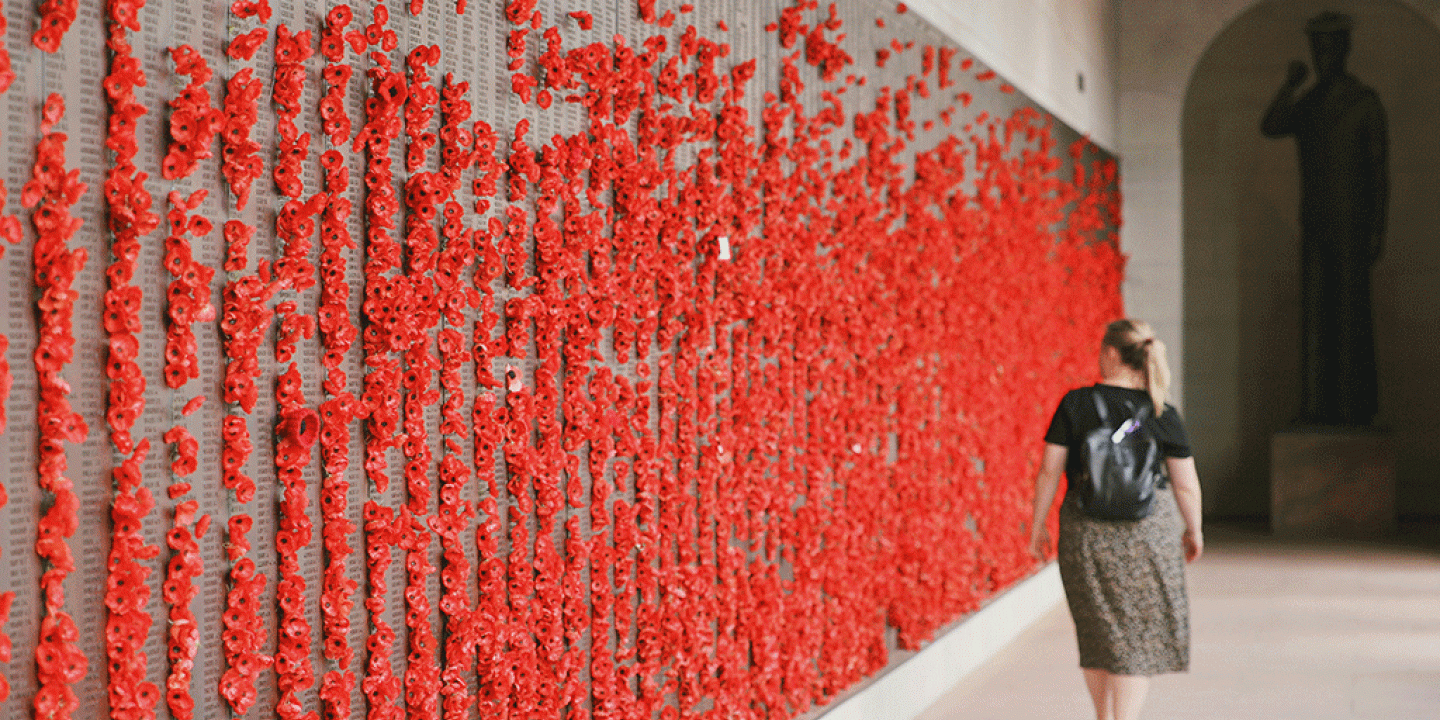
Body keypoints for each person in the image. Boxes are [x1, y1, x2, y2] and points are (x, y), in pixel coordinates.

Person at [1027, 319, 1204, 720]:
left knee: (1097, 631)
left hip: (1085, 531)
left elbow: (1049, 472)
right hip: (1148, 532)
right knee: (1136, 636)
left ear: (1110, 352)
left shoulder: (1075, 404)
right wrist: (1194, 531)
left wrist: (1037, 526)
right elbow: (1185, 486)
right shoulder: (1161, 410)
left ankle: (1103, 716)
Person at [1260, 11, 1387, 426]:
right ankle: (1315, 405)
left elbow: (1378, 172)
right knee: (1315, 318)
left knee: (1351, 317)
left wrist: (1376, 231)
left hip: (1352, 226)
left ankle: (1353, 406)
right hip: (1315, 226)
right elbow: (1271, 125)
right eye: (1317, 47)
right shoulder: (1309, 103)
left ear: (1345, 48)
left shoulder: (1364, 102)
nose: (1323, 54)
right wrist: (1290, 85)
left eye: (1330, 45)